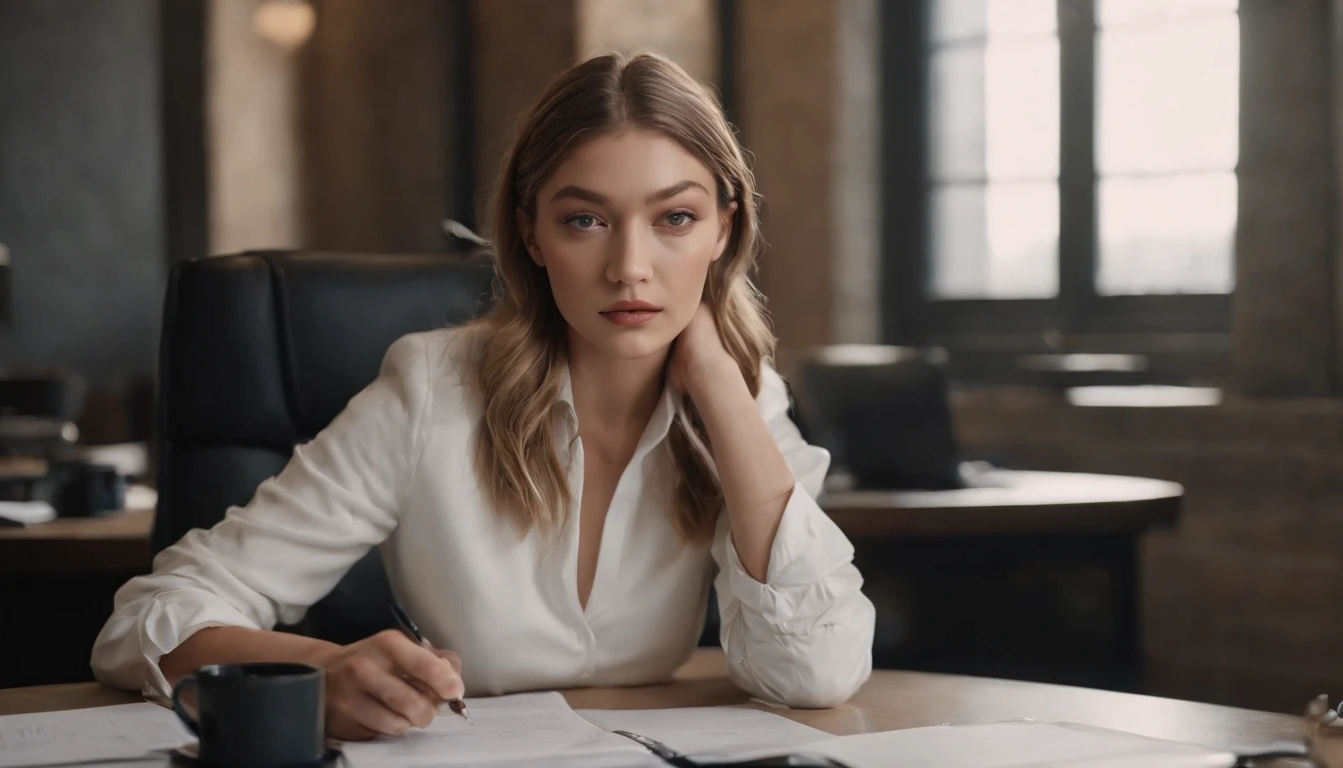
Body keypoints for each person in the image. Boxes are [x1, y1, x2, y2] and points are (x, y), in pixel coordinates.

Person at [91, 52, 875, 741]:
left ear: (724, 231)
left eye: (675, 218)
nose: (630, 266)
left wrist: (717, 381)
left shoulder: (744, 403)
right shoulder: (433, 388)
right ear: (532, 234)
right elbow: (147, 621)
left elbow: (816, 670)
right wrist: (317, 668)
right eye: (584, 220)